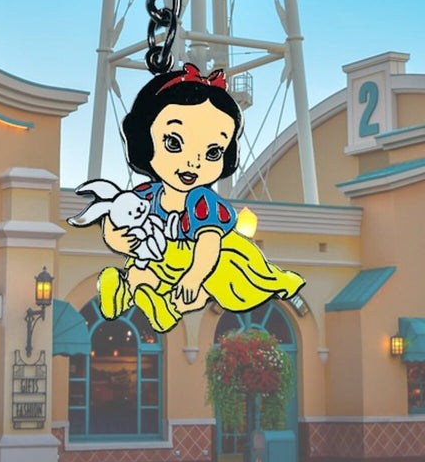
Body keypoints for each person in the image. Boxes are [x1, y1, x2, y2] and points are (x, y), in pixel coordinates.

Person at [96, 63, 304, 332]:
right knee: (141, 273)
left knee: (205, 286)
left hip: (199, 258)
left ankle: (168, 309)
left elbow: (208, 243)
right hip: (160, 254)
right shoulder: (146, 195)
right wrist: (119, 239)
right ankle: (122, 292)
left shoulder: (202, 201)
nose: (193, 162)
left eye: (212, 152)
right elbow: (117, 220)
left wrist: (194, 276)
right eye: (174, 143)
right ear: (144, 139)